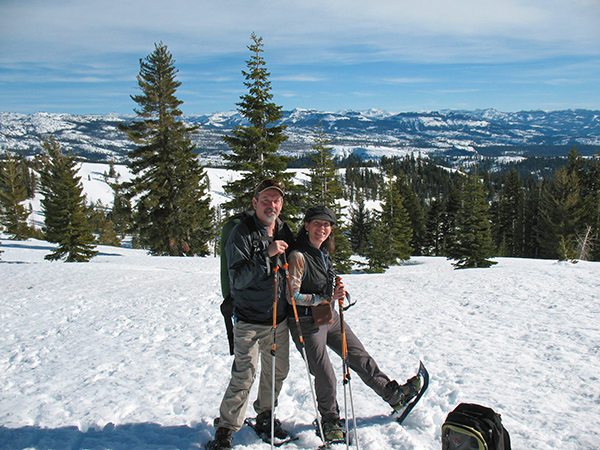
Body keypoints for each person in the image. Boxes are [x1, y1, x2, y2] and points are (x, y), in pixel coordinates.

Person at [286, 205, 422, 442]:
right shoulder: (298, 256)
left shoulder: (323, 253)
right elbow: (292, 296)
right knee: (325, 374)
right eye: (317, 223)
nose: (322, 229)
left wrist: (334, 291)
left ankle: (392, 395)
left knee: (359, 356)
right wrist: (325, 297)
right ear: (306, 225)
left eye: (327, 225)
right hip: (306, 322)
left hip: (328, 316)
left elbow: (321, 286)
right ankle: (329, 420)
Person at [207, 179, 294, 450]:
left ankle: (265, 415)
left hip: (277, 318)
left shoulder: (282, 229)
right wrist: (266, 256)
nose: (271, 205)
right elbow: (239, 278)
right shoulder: (242, 233)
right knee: (244, 375)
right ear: (255, 202)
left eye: (276, 200)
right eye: (265, 200)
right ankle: (225, 429)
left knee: (278, 371)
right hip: (248, 319)